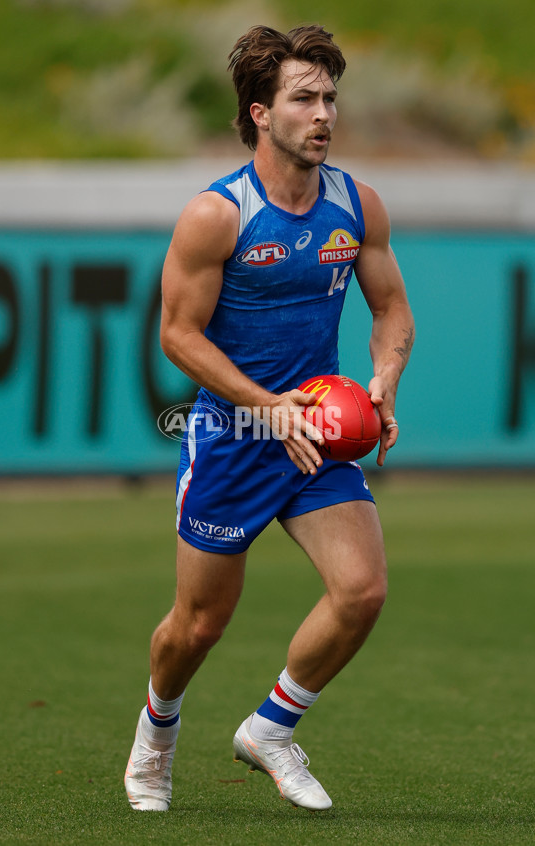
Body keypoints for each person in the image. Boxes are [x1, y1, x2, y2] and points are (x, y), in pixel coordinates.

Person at [125, 23, 414, 812]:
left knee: (362, 591)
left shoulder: (357, 204)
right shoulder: (217, 216)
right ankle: (157, 733)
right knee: (199, 626)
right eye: (303, 99)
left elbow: (391, 311)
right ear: (260, 113)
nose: (324, 114)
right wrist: (266, 408)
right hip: (236, 438)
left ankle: (272, 729)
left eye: (329, 98)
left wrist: (384, 376)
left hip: (319, 436)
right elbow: (177, 336)